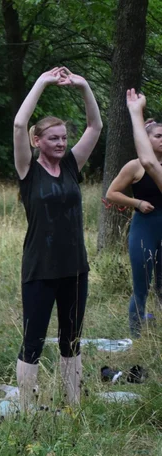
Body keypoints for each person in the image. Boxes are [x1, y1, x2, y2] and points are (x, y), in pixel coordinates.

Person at [12, 67, 102, 412]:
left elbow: (95, 127)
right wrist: (42, 82)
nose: (61, 144)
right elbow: (20, 124)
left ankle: (73, 404)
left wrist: (84, 86)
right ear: (37, 141)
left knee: (72, 339)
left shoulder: (71, 166)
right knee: (32, 340)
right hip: (39, 268)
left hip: (75, 268)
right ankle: (26, 407)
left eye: (64, 138)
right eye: (54, 138)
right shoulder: (28, 171)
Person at [104, 108, 162, 336]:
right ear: (145, 139)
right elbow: (111, 193)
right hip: (144, 227)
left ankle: (157, 336)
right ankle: (136, 336)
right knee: (141, 286)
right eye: (158, 136)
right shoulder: (135, 165)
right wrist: (136, 203)